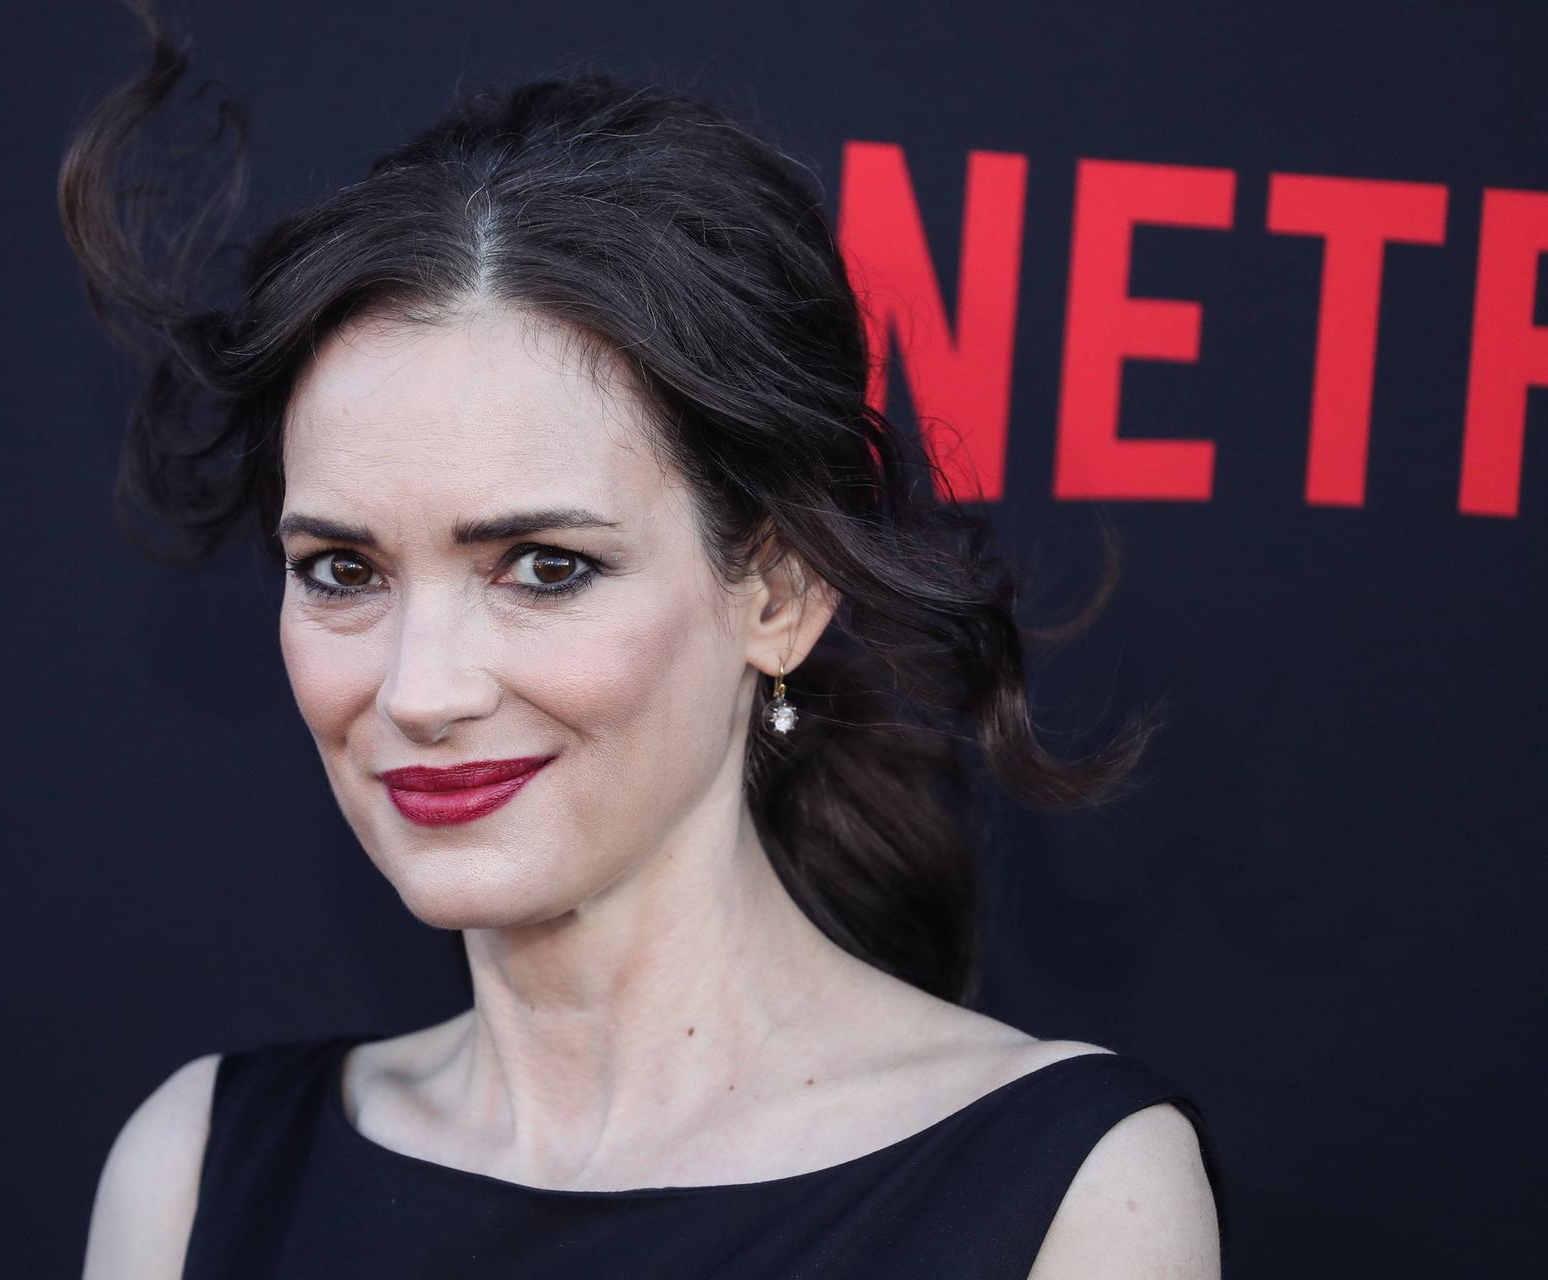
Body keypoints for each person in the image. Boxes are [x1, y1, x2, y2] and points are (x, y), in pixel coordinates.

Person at [59, 4, 1222, 1276]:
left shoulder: (1067, 1193)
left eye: (544, 567)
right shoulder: (197, 1172)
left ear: (780, 592)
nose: (420, 689)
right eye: (344, 570)